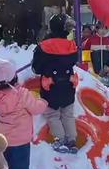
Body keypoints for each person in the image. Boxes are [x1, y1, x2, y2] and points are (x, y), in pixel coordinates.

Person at [0, 59, 47, 169]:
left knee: (8, 167)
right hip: (21, 140)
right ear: (15, 77)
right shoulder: (22, 94)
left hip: (4, 138)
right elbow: (35, 108)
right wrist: (43, 102)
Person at [32, 13, 78, 154]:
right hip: (68, 85)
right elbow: (73, 61)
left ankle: (61, 139)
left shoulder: (43, 47)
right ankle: (72, 139)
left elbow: (36, 68)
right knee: (67, 114)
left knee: (53, 115)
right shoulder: (71, 46)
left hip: (50, 88)